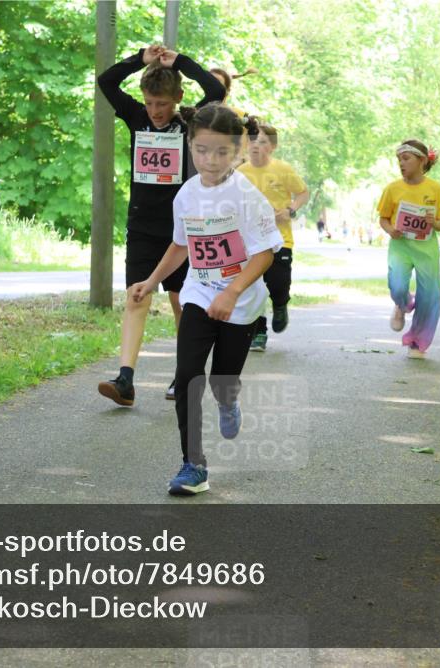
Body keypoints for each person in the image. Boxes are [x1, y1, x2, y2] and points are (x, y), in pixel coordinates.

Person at [129, 104, 282, 495]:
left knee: (221, 381)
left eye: (220, 152)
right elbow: (181, 245)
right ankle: (193, 464)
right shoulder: (186, 195)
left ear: (237, 151)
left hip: (242, 303)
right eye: (201, 150)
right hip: (199, 293)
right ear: (189, 146)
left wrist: (233, 291)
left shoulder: (245, 195)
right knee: (188, 377)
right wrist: (150, 281)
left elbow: (265, 253)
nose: (209, 161)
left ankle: (228, 401)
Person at [96, 44, 225, 406]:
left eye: (162, 104)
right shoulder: (135, 117)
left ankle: (185, 375)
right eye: (150, 103)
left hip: (183, 228)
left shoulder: (189, 120)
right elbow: (106, 82)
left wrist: (180, 61)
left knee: (181, 301)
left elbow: (215, 91)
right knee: (137, 295)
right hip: (142, 224)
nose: (155, 111)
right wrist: (141, 59)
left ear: (178, 98)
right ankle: (125, 379)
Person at [377, 139, 440, 359]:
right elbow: (383, 219)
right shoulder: (392, 188)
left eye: (406, 158)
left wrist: (433, 222)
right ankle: (402, 304)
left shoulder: (436, 189)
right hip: (400, 245)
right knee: (397, 285)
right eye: (399, 159)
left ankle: (417, 343)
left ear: (421, 161)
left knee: (429, 295)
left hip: (426, 247)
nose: (401, 163)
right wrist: (391, 230)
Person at [238, 121, 310, 351]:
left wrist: (290, 210)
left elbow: (302, 193)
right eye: (252, 141)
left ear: (273, 146)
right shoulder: (240, 173)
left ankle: (280, 304)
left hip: (280, 238)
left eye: (262, 142)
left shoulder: (283, 169)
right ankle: (259, 332)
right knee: (253, 286)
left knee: (278, 283)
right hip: (251, 240)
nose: (255, 146)